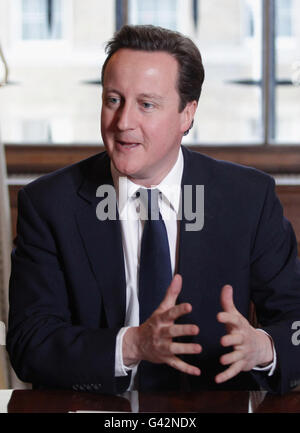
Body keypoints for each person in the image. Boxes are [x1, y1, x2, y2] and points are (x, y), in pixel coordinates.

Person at [6, 25, 300, 395]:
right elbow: (30, 343)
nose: (123, 122)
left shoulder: (248, 198)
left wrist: (264, 347)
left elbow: (295, 322)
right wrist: (133, 345)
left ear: (186, 115)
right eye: (114, 100)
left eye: (146, 104)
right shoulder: (49, 203)